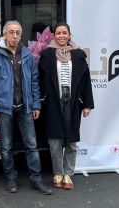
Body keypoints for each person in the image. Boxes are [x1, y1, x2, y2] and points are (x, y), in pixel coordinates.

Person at [0, 21, 52, 195]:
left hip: (25, 106)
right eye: (11, 32)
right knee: (6, 146)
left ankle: (36, 180)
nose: (14, 36)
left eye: (17, 33)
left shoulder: (27, 55)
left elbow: (34, 82)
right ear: (5, 35)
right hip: (4, 107)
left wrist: (36, 104)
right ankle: (11, 179)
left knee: (32, 145)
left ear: (21, 35)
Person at [37, 23, 94, 190]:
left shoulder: (78, 55)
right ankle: (57, 173)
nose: (61, 36)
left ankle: (68, 174)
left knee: (71, 142)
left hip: (73, 102)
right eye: (58, 33)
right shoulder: (46, 55)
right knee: (55, 142)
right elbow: (39, 81)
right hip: (53, 102)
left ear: (70, 35)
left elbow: (86, 81)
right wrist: (39, 102)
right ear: (54, 35)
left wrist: (87, 104)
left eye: (65, 33)